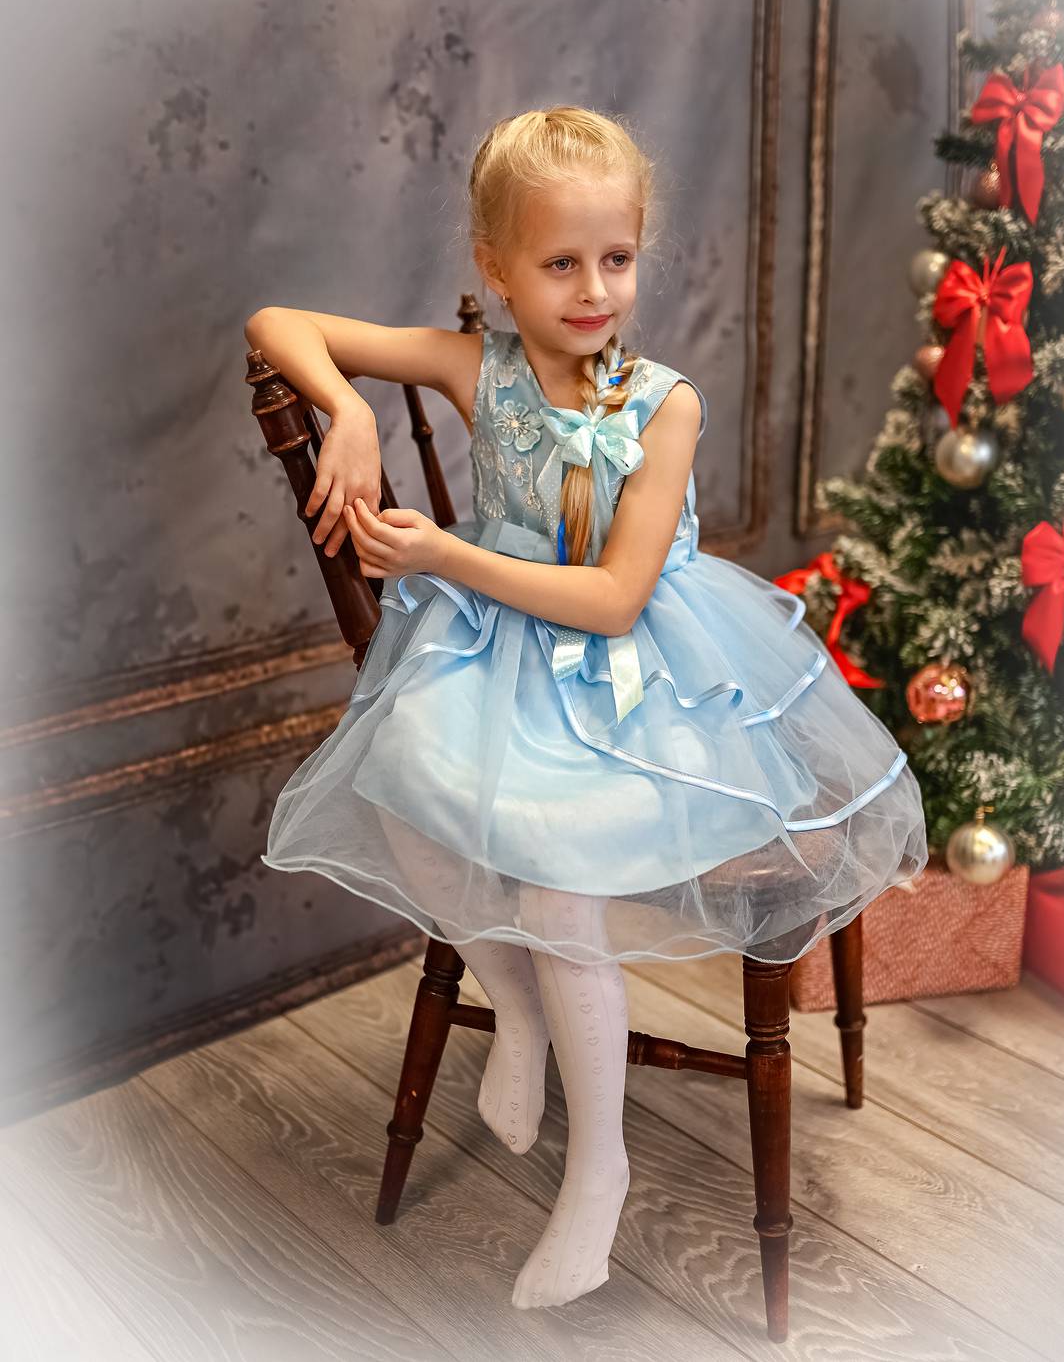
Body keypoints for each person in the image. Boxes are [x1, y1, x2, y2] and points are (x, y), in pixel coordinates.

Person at [246, 104, 928, 1311]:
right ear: (497, 268)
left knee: (557, 885)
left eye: (615, 258)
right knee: (401, 780)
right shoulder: (476, 368)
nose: (593, 289)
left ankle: (598, 1166)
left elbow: (614, 601)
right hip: (496, 661)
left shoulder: (663, 405)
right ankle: (516, 1007)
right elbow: (276, 323)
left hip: (641, 681)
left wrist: (444, 555)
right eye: (559, 262)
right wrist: (349, 409)